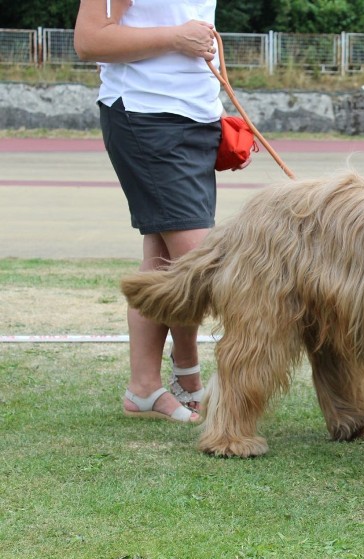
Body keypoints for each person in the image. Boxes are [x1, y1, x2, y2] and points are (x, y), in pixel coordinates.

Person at [74, 0, 251, 422]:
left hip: (195, 117)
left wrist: (211, 104)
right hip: (146, 115)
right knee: (204, 264)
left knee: (164, 264)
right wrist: (175, 38)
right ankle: (188, 379)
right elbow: (90, 39)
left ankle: (150, 387)